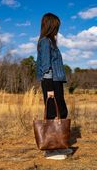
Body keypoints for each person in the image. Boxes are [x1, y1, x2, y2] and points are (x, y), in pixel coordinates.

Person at [36, 12, 73, 160]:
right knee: (52, 114)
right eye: (56, 27)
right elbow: (46, 66)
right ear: (51, 26)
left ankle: (59, 145)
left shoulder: (50, 42)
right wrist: (50, 88)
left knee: (61, 111)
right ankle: (51, 150)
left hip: (56, 81)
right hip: (50, 81)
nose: (58, 30)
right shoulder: (45, 42)